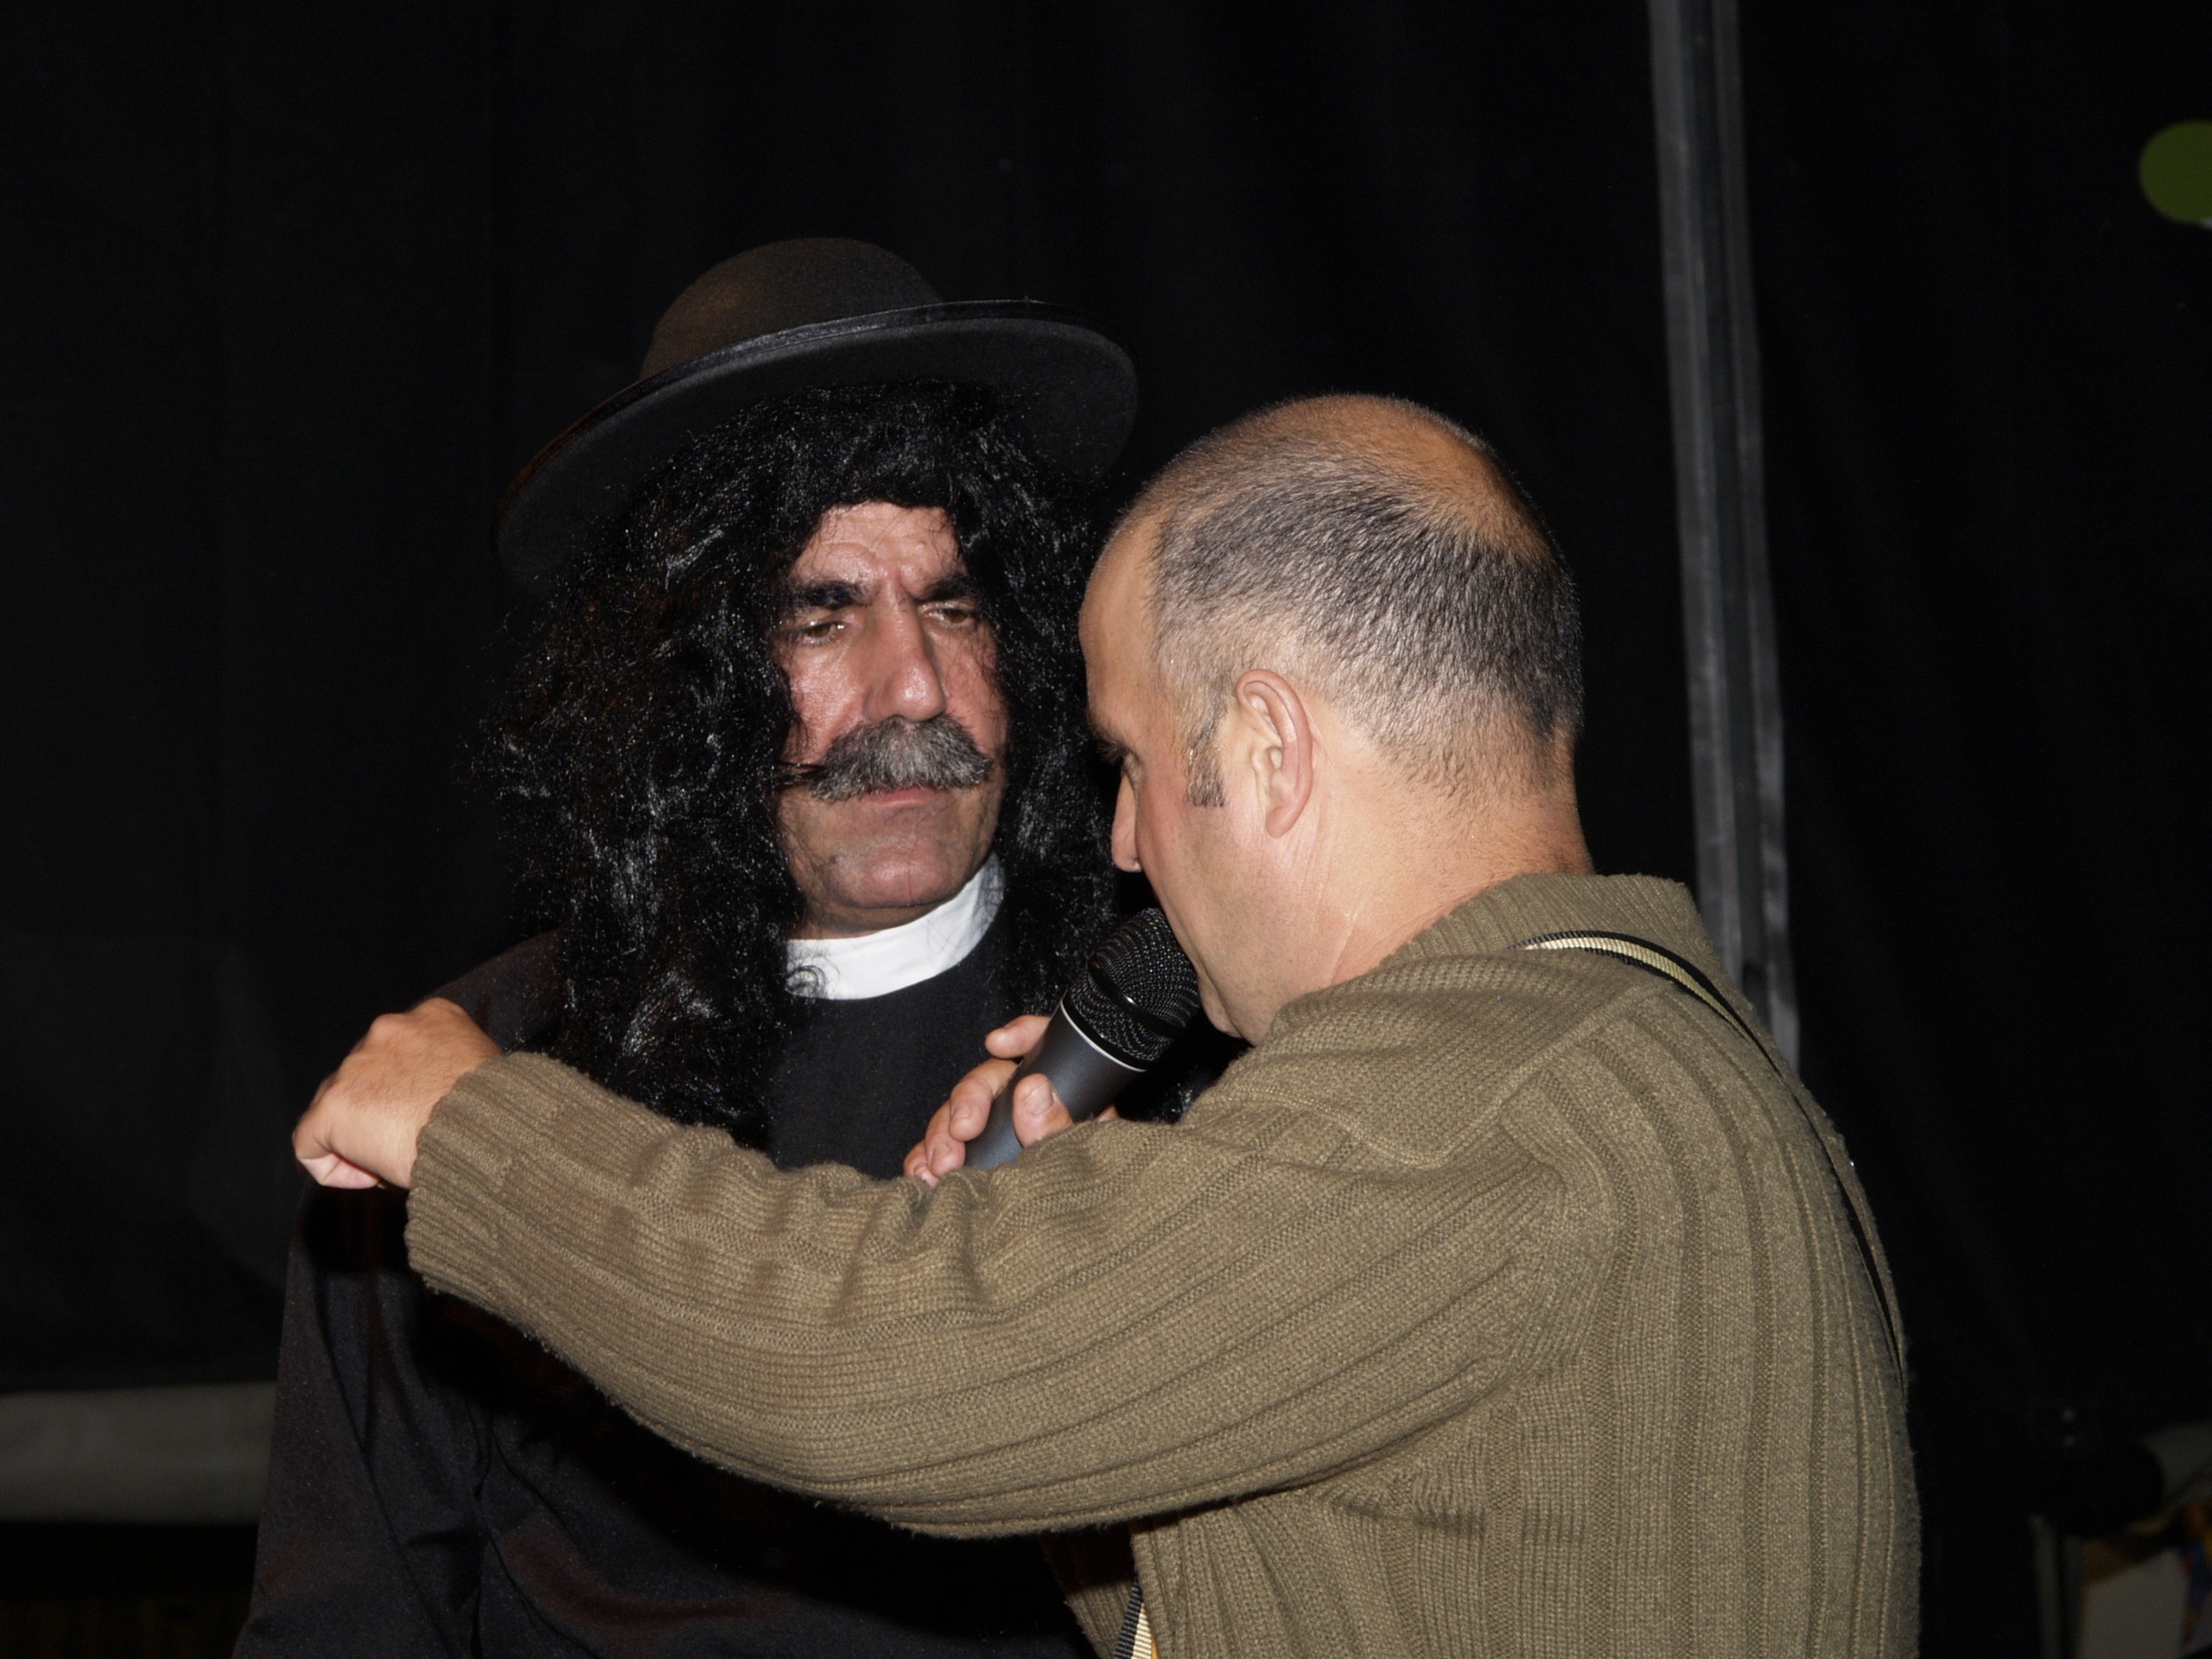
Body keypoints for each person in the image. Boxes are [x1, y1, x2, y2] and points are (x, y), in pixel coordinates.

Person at [296, 394, 1920, 1656]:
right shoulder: (1610, 1064)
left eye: (1131, 760)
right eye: (818, 614)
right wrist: (1079, 1259)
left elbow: (872, 1368)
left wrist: (476, 1133)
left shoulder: (1463, 1119)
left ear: (1270, 749)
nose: (1123, 839)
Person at [238, 239, 1147, 1658]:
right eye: (818, 616)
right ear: (682, 686)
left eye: (954, 605)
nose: (914, 688)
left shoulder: (1155, 1037)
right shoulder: (458, 1089)